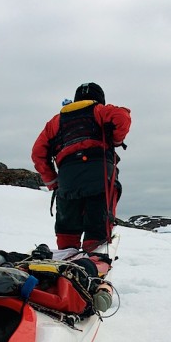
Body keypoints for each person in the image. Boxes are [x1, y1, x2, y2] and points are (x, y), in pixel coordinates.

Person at [31, 83, 131, 251]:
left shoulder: (56, 121)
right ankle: (94, 257)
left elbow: (37, 153)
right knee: (97, 229)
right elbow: (122, 117)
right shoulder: (100, 110)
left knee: (67, 228)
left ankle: (66, 254)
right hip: (100, 176)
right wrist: (116, 140)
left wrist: (53, 181)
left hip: (67, 179)